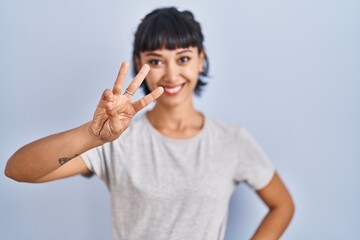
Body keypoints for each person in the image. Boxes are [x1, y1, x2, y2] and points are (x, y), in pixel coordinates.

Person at [5, 7, 294, 240]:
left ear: (201, 61)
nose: (171, 74)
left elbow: (283, 205)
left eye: (183, 58)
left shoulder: (231, 140)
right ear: (138, 62)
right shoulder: (115, 139)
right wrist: (91, 135)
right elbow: (17, 169)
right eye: (155, 61)